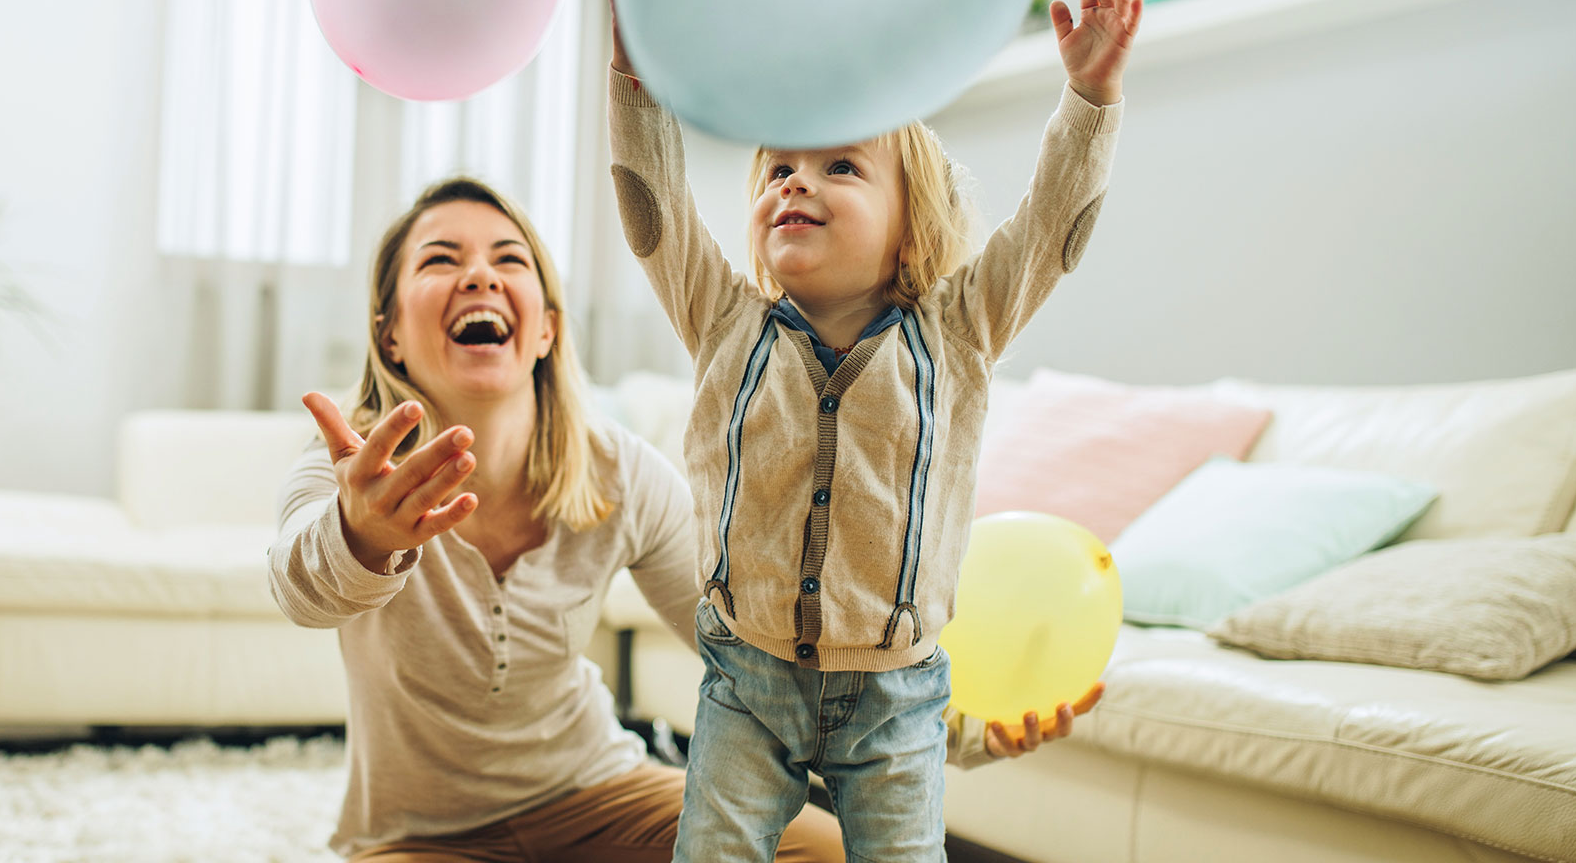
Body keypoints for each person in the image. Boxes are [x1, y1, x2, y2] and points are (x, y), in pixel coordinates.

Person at [269, 176, 1100, 862]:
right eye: (440, 260)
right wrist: (365, 537)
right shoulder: (352, 473)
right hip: (416, 837)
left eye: (508, 260)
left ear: (547, 330)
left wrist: (960, 729)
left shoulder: (620, 472)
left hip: (598, 792)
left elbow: (763, 639)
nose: (480, 277)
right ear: (391, 333)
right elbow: (303, 591)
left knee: (822, 853)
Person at [605, 0, 1142, 863]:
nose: (794, 183)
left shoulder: (961, 330)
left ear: (908, 223)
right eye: (778, 167)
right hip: (745, 679)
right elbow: (650, 207)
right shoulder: (722, 318)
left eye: (840, 165)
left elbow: (1054, 232)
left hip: (898, 695)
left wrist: (1091, 97)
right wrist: (635, 79)